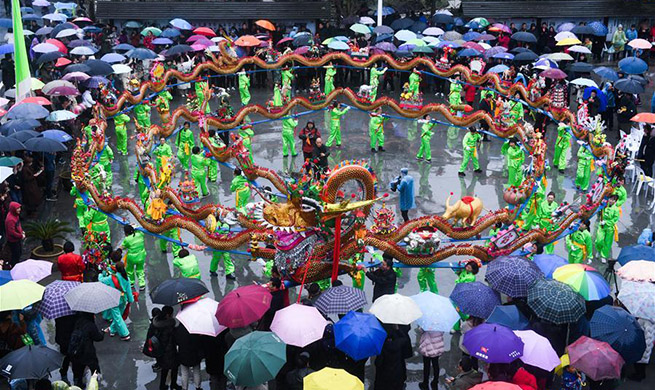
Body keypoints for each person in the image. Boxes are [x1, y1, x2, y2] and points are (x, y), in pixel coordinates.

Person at [99, 259, 133, 340]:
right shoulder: (126, 277)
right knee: (119, 316)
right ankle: (112, 330)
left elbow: (101, 280)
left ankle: (125, 334)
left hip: (114, 299)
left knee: (117, 317)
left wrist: (100, 274)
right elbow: (129, 290)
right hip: (123, 299)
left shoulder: (111, 278)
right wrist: (130, 300)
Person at [69, 312, 104, 388]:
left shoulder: (77, 322)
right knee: (94, 369)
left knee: (79, 371)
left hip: (77, 351)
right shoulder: (90, 325)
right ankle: (95, 384)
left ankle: (79, 384)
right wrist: (103, 332)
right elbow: (98, 338)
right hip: (88, 352)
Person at [147, 306, 179, 390]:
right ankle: (173, 384)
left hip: (159, 351)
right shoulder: (169, 326)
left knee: (164, 370)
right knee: (174, 368)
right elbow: (173, 340)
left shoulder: (155, 323)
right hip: (169, 351)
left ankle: (162, 386)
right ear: (168, 315)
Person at [373, 324, 412, 390]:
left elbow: (378, 363)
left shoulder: (383, 347)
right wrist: (398, 330)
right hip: (397, 375)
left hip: (384, 376)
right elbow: (405, 338)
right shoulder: (399, 343)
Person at [175, 319, 203, 390]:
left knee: (184, 373)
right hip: (195, 354)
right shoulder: (196, 329)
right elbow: (199, 341)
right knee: (196, 371)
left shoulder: (179, 329)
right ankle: (198, 387)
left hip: (183, 354)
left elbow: (176, 341)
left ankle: (184, 388)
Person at [121, 225, 147, 291]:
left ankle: (131, 283)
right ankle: (142, 284)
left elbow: (123, 246)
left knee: (129, 270)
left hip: (131, 258)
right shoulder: (140, 235)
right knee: (140, 269)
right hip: (141, 256)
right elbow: (140, 230)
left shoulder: (127, 239)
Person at [595, 194, 620, 263]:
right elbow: (598, 212)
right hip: (601, 226)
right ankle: (598, 250)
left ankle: (603, 256)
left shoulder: (616, 209)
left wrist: (606, 222)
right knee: (599, 240)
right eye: (610, 199)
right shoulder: (604, 205)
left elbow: (615, 220)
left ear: (615, 201)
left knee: (607, 243)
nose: (611, 201)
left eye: (613, 200)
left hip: (609, 228)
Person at [55, 314, 77, 383]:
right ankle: (76, 378)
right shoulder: (74, 312)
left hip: (62, 339)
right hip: (71, 339)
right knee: (73, 358)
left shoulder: (58, 311)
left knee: (65, 358)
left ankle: (64, 375)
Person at [4, 201, 24, 267]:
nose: (19, 209)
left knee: (19, 252)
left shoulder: (16, 215)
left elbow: (18, 225)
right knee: (15, 254)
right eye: (17, 208)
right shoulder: (10, 220)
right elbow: (11, 232)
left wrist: (21, 231)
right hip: (13, 241)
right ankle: (13, 266)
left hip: (17, 239)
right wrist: (21, 236)